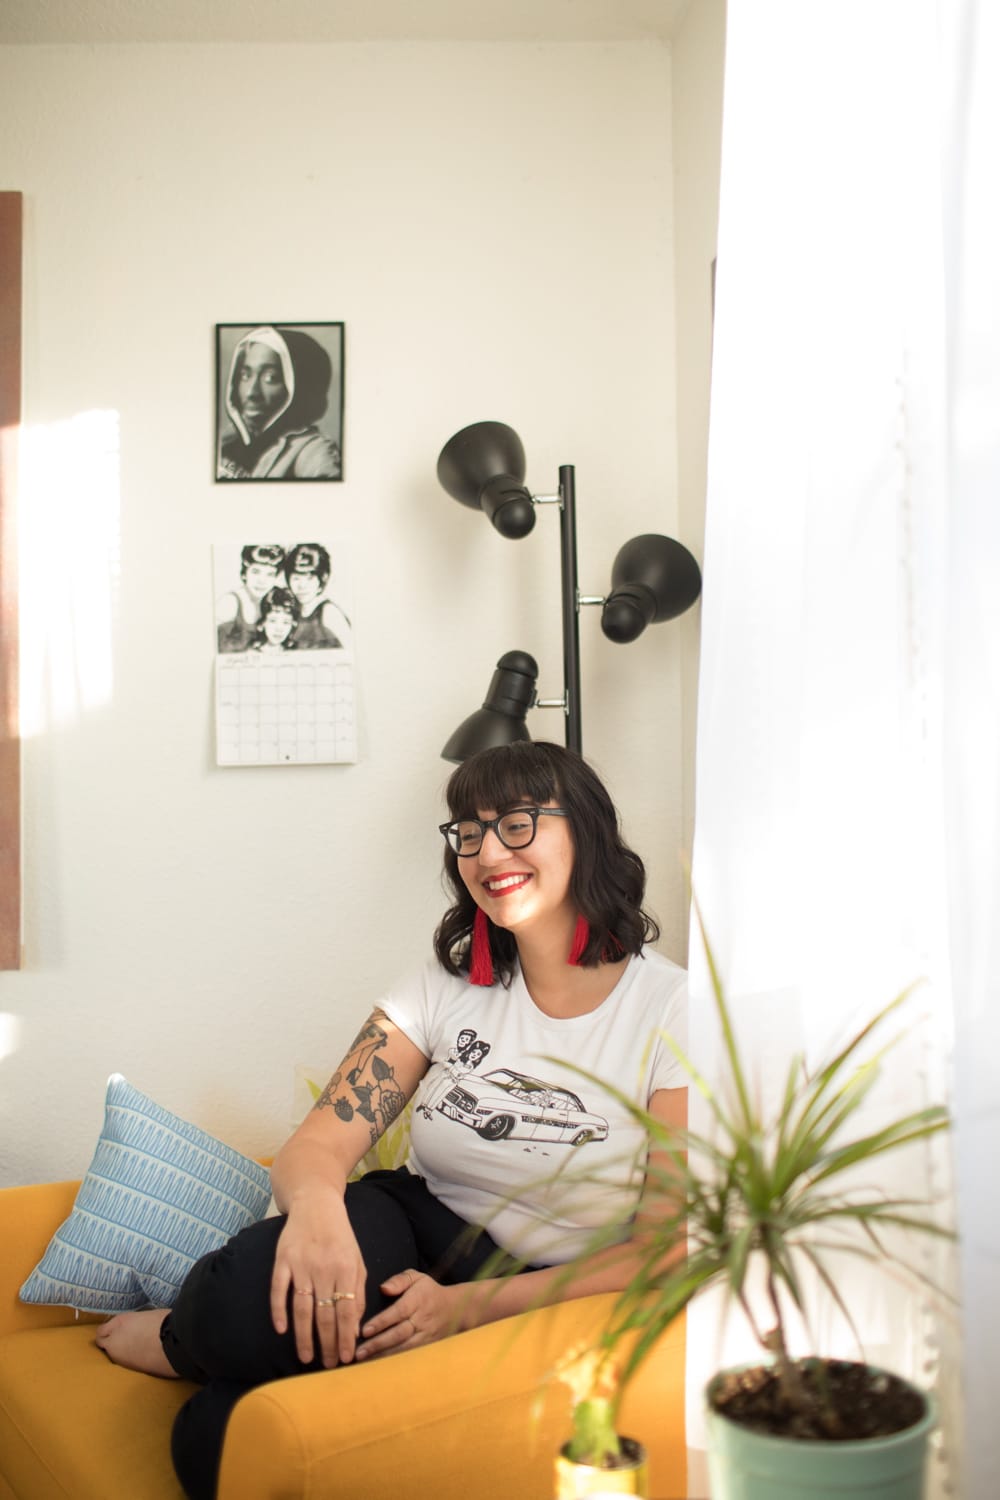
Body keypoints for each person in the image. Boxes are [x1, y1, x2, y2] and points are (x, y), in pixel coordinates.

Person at [95, 741, 688, 1500]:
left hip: (537, 1284)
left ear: (587, 830)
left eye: (516, 824)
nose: (486, 853)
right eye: (468, 832)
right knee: (250, 1292)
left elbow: (663, 1254)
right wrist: (317, 1216)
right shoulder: (446, 982)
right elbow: (319, 1141)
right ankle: (181, 1340)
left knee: (219, 1439)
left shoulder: (672, 1010)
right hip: (416, 1219)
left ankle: (212, 1365)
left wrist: (465, 1309)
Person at [217, 326, 342, 481]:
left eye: (270, 378)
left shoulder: (313, 451)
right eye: (245, 375)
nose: (251, 393)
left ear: (300, 388)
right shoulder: (226, 442)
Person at [216, 544, 285, 653]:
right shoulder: (230, 603)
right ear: (245, 573)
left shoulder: (272, 601)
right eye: (256, 572)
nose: (262, 581)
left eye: (270, 574)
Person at [282, 542, 352, 649]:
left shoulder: (329, 612)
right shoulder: (293, 610)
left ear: (321, 579)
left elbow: (351, 651)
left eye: (309, 578)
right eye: (296, 578)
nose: (302, 586)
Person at [246, 587, 301, 653]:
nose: (279, 628)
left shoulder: (295, 652)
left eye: (286, 622)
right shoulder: (251, 652)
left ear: (293, 625)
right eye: (273, 621)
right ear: (262, 623)